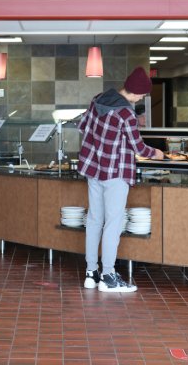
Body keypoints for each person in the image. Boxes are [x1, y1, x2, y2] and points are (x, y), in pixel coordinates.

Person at [77, 66, 164, 292]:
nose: (142, 98)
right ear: (135, 92)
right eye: (143, 95)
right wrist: (157, 153)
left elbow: (83, 127)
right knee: (113, 224)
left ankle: (91, 273)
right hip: (115, 173)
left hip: (94, 170)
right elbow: (139, 148)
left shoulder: (98, 100)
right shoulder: (126, 113)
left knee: (95, 220)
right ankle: (108, 277)